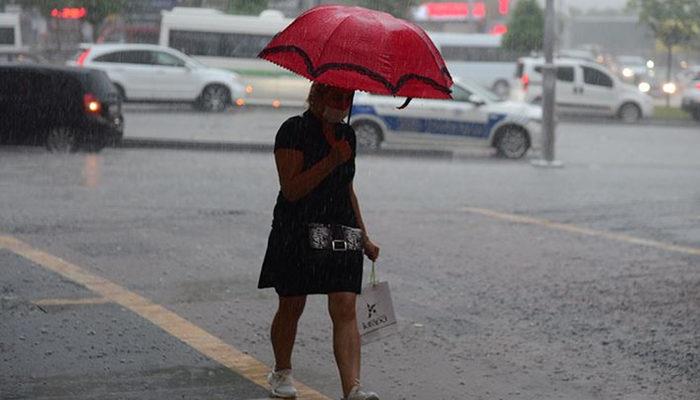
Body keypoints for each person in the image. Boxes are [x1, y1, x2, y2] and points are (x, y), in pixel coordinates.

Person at [258, 82, 380, 400]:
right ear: (317, 95)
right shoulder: (292, 130)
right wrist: (331, 160)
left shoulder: (347, 135)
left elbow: (347, 188)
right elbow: (292, 190)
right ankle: (281, 371)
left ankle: (352, 388)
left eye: (348, 98)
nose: (342, 103)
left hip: (340, 227)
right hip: (297, 228)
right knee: (292, 303)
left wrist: (364, 236)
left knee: (345, 305)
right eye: (336, 96)